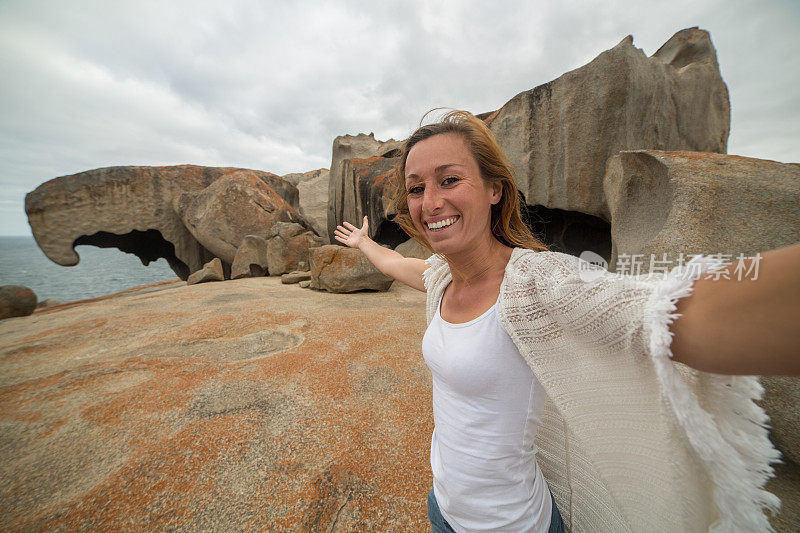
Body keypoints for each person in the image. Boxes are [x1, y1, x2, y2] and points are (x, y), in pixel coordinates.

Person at [334, 110, 800, 532]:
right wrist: (364, 244)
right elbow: (407, 268)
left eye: (449, 180)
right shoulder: (442, 281)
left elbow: (657, 311)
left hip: (512, 525)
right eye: (416, 188)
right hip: (445, 510)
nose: (430, 201)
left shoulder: (536, 283)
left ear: (495, 189)